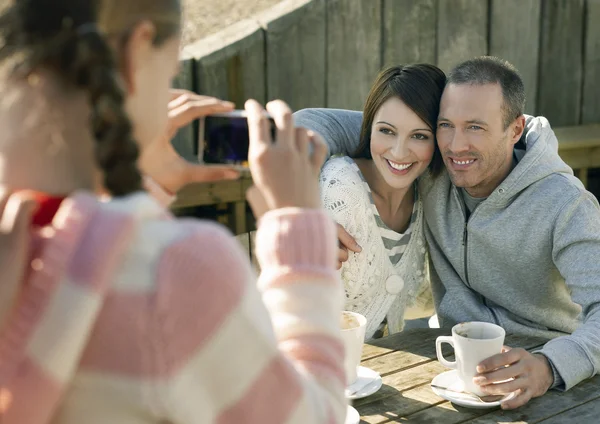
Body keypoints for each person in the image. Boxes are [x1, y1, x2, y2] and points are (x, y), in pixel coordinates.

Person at [0, 1, 347, 424]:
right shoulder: (176, 271)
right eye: (169, 74)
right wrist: (298, 227)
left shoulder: (20, 233)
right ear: (137, 50)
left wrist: (147, 183)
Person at [294, 56, 600, 409]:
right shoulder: (428, 159)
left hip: (553, 379)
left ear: (515, 130)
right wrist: (300, 205)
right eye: (445, 125)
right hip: (451, 372)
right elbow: (308, 125)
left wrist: (550, 367)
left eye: (475, 127)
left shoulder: (566, 204)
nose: (456, 145)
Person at [320, 64, 444, 339]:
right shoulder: (342, 190)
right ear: (369, 128)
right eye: (387, 130)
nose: (399, 152)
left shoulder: (425, 196)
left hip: (382, 364)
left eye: (420, 136)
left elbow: (407, 297)